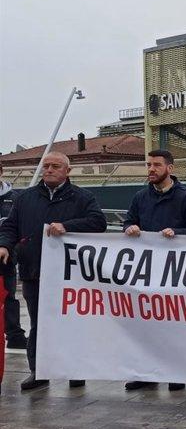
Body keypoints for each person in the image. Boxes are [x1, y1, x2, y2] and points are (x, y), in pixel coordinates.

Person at [0, 152, 107, 391]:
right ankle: (38, 371)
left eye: (55, 166)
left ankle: (75, 370)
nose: (48, 170)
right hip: (34, 271)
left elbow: (97, 222)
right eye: (45, 166)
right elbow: (10, 226)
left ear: (67, 171)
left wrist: (68, 226)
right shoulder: (25, 198)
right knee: (39, 323)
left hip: (72, 275)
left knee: (73, 322)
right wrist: (5, 245)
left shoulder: (83, 197)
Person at [123, 149, 186, 392]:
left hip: (174, 271)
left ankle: (176, 372)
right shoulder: (140, 197)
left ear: (170, 168)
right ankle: (147, 373)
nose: (151, 169)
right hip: (147, 271)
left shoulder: (185, 198)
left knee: (173, 323)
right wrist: (130, 228)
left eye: (156, 165)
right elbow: (128, 222)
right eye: (148, 165)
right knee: (146, 323)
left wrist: (178, 233)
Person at [0, 164, 27, 351]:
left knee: (9, 296)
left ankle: (15, 334)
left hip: (6, 258)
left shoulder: (16, 198)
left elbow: (20, 227)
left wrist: (10, 247)